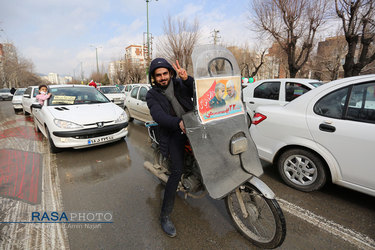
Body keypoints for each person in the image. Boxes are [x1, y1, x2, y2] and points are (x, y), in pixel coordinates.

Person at [146, 58, 194, 237]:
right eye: (158, 75)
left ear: (170, 73)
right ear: (154, 78)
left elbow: (199, 91)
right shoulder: (152, 95)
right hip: (173, 131)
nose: (162, 77)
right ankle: (165, 216)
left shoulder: (180, 83)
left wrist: (187, 78)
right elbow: (158, 115)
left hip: (193, 125)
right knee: (177, 171)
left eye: (165, 73)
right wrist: (178, 123)